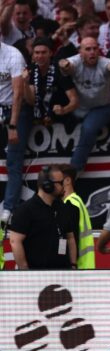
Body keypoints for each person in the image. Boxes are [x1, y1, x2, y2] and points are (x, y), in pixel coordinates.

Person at [59, 37, 110, 172]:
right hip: (79, 108)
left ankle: (73, 171)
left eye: (94, 49)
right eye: (88, 49)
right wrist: (63, 64)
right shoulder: (75, 61)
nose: (92, 52)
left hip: (103, 107)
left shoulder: (104, 62)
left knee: (88, 128)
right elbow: (67, 67)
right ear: (80, 53)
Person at [8, 165, 77, 270]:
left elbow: (70, 238)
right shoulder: (25, 210)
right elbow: (15, 241)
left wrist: (73, 265)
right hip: (37, 274)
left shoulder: (63, 208)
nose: (64, 186)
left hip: (63, 272)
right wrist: (25, 272)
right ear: (47, 186)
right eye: (60, 183)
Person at [0, 37, 27, 223]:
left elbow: (18, 94)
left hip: (15, 109)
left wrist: (13, 125)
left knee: (14, 162)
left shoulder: (13, 55)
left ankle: (8, 211)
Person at [60, 164, 96, 269]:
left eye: (57, 180)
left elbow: (71, 237)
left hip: (78, 266)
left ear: (67, 180)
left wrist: (71, 263)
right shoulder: (77, 201)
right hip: (84, 265)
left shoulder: (70, 204)